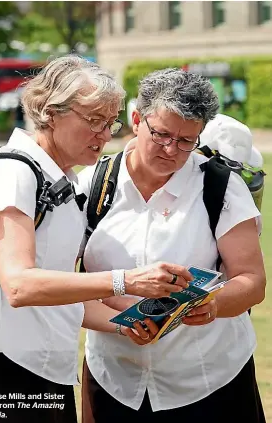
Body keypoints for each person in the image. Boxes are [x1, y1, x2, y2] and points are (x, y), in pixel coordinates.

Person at [0, 58, 192, 423]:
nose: (106, 135)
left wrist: (128, 322)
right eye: (94, 119)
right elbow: (20, 286)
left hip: (42, 372)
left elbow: (60, 294)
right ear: (50, 111)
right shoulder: (12, 172)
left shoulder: (63, 182)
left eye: (111, 123)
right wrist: (127, 279)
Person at [78, 68, 267, 423]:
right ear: (136, 119)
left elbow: (252, 280)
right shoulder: (91, 185)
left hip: (209, 380)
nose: (171, 150)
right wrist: (120, 323)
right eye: (161, 134)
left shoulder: (222, 188)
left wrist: (213, 304)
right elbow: (63, 285)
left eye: (186, 141)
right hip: (114, 380)